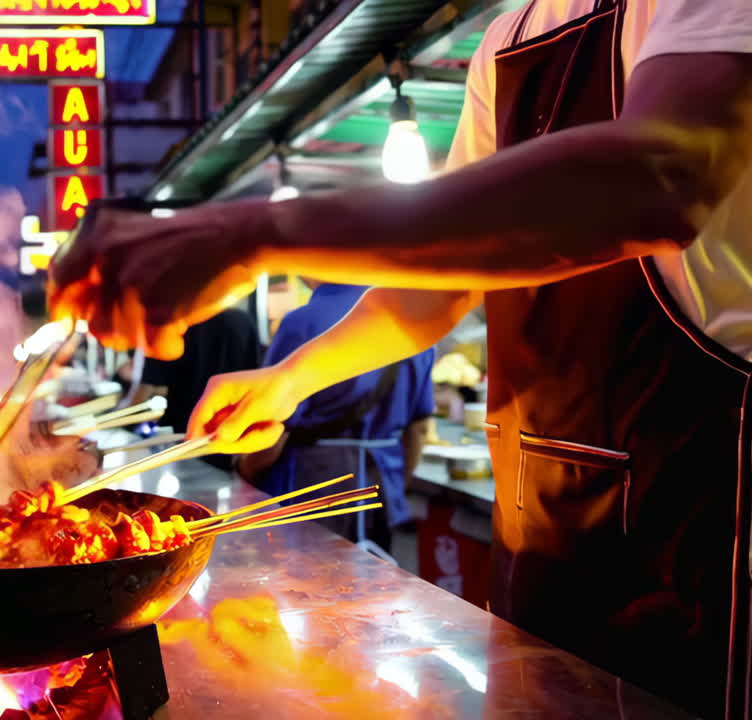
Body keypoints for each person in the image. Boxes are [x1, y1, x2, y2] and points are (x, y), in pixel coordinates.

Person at [49, 2, 752, 715]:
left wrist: (252, 234)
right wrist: (289, 380)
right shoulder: (507, 38)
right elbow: (434, 291)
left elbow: (661, 174)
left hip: (697, 545)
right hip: (540, 545)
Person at [236, 283, 434, 554]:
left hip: (309, 488)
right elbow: (419, 428)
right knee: (380, 587)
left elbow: (273, 428)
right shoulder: (415, 321)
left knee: (306, 589)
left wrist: (244, 469)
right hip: (383, 488)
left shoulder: (302, 322)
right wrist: (398, 485)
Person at [135, 308, 261, 469]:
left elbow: (151, 386)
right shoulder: (243, 320)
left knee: (187, 483)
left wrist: (129, 428)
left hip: (186, 430)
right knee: (228, 482)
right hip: (233, 427)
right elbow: (255, 374)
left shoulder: (176, 323)